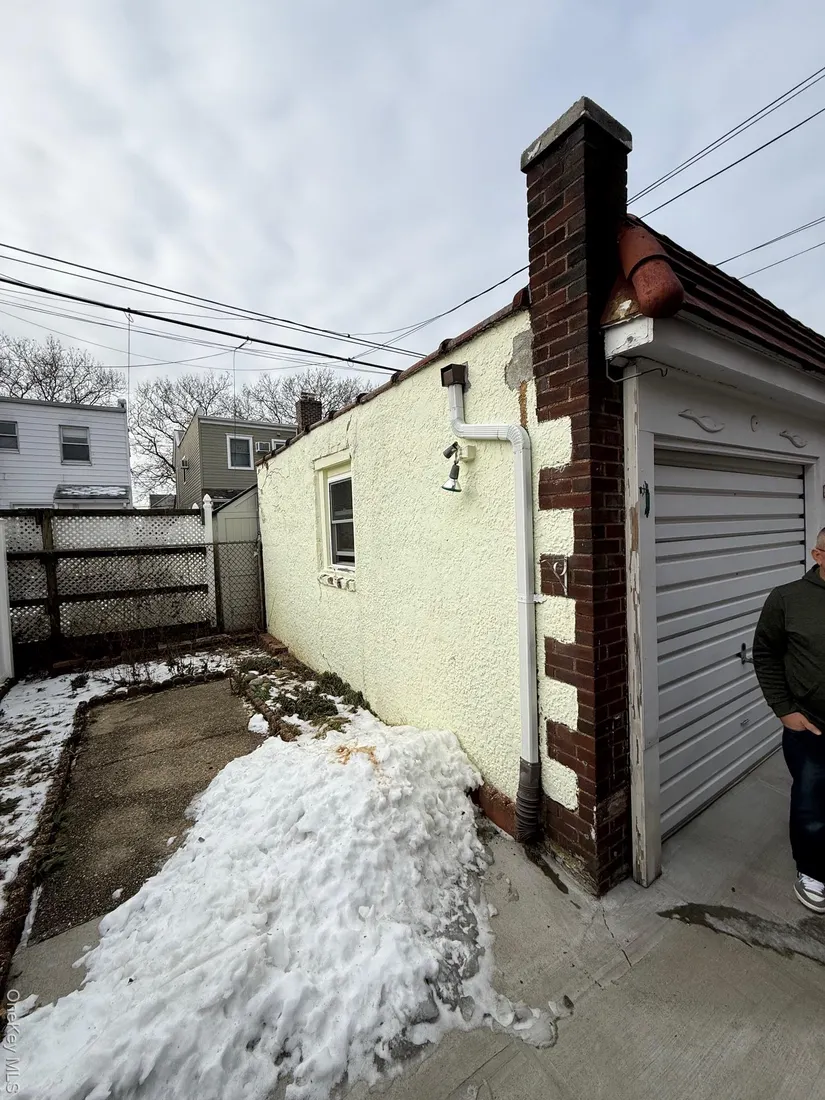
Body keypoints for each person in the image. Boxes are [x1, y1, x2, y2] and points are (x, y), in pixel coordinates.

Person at [753, 529, 825, 914]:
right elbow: (765, 653)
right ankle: (812, 872)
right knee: (812, 800)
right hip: (811, 727)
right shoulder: (787, 599)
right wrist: (784, 709)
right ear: (818, 555)